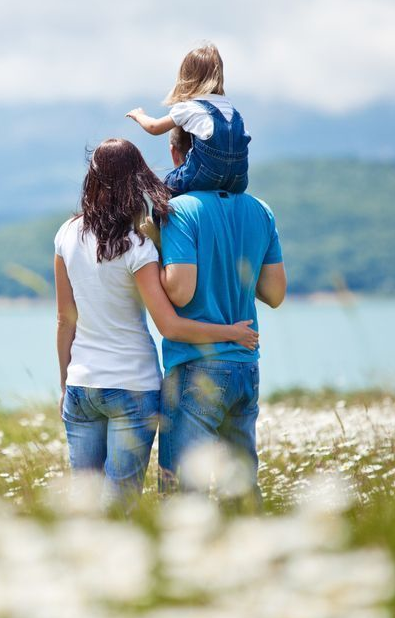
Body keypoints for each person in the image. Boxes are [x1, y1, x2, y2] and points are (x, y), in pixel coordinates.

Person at [54, 138, 259, 510]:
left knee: (82, 505)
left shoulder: (66, 234)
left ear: (93, 179)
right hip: (132, 386)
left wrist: (64, 382)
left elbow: (65, 319)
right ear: (135, 181)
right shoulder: (138, 247)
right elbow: (170, 325)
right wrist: (230, 333)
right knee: (122, 507)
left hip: (81, 385)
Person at [156, 131, 287, 502]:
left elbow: (180, 290)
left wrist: (155, 246)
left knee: (184, 492)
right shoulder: (261, 210)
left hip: (196, 366)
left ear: (176, 151)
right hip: (246, 365)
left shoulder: (179, 210)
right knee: (241, 491)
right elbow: (275, 294)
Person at [125, 43, 251, 196]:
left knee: (166, 188)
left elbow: (154, 127)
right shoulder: (232, 110)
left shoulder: (190, 107)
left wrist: (139, 116)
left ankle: (157, 220)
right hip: (238, 179)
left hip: (206, 174)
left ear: (186, 77)